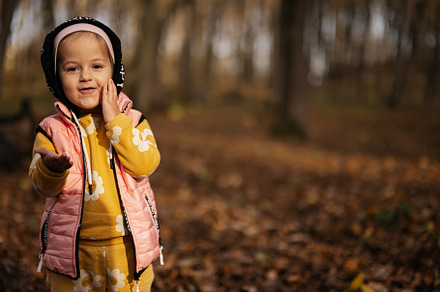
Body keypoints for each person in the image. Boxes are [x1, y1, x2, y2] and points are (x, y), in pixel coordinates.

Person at [29, 16, 163, 292]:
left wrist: (116, 123)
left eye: (97, 66)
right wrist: (51, 170)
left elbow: (146, 164)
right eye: (73, 68)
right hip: (73, 254)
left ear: (114, 72)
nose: (86, 76)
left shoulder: (133, 120)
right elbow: (40, 185)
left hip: (127, 249)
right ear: (56, 77)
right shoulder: (51, 130)